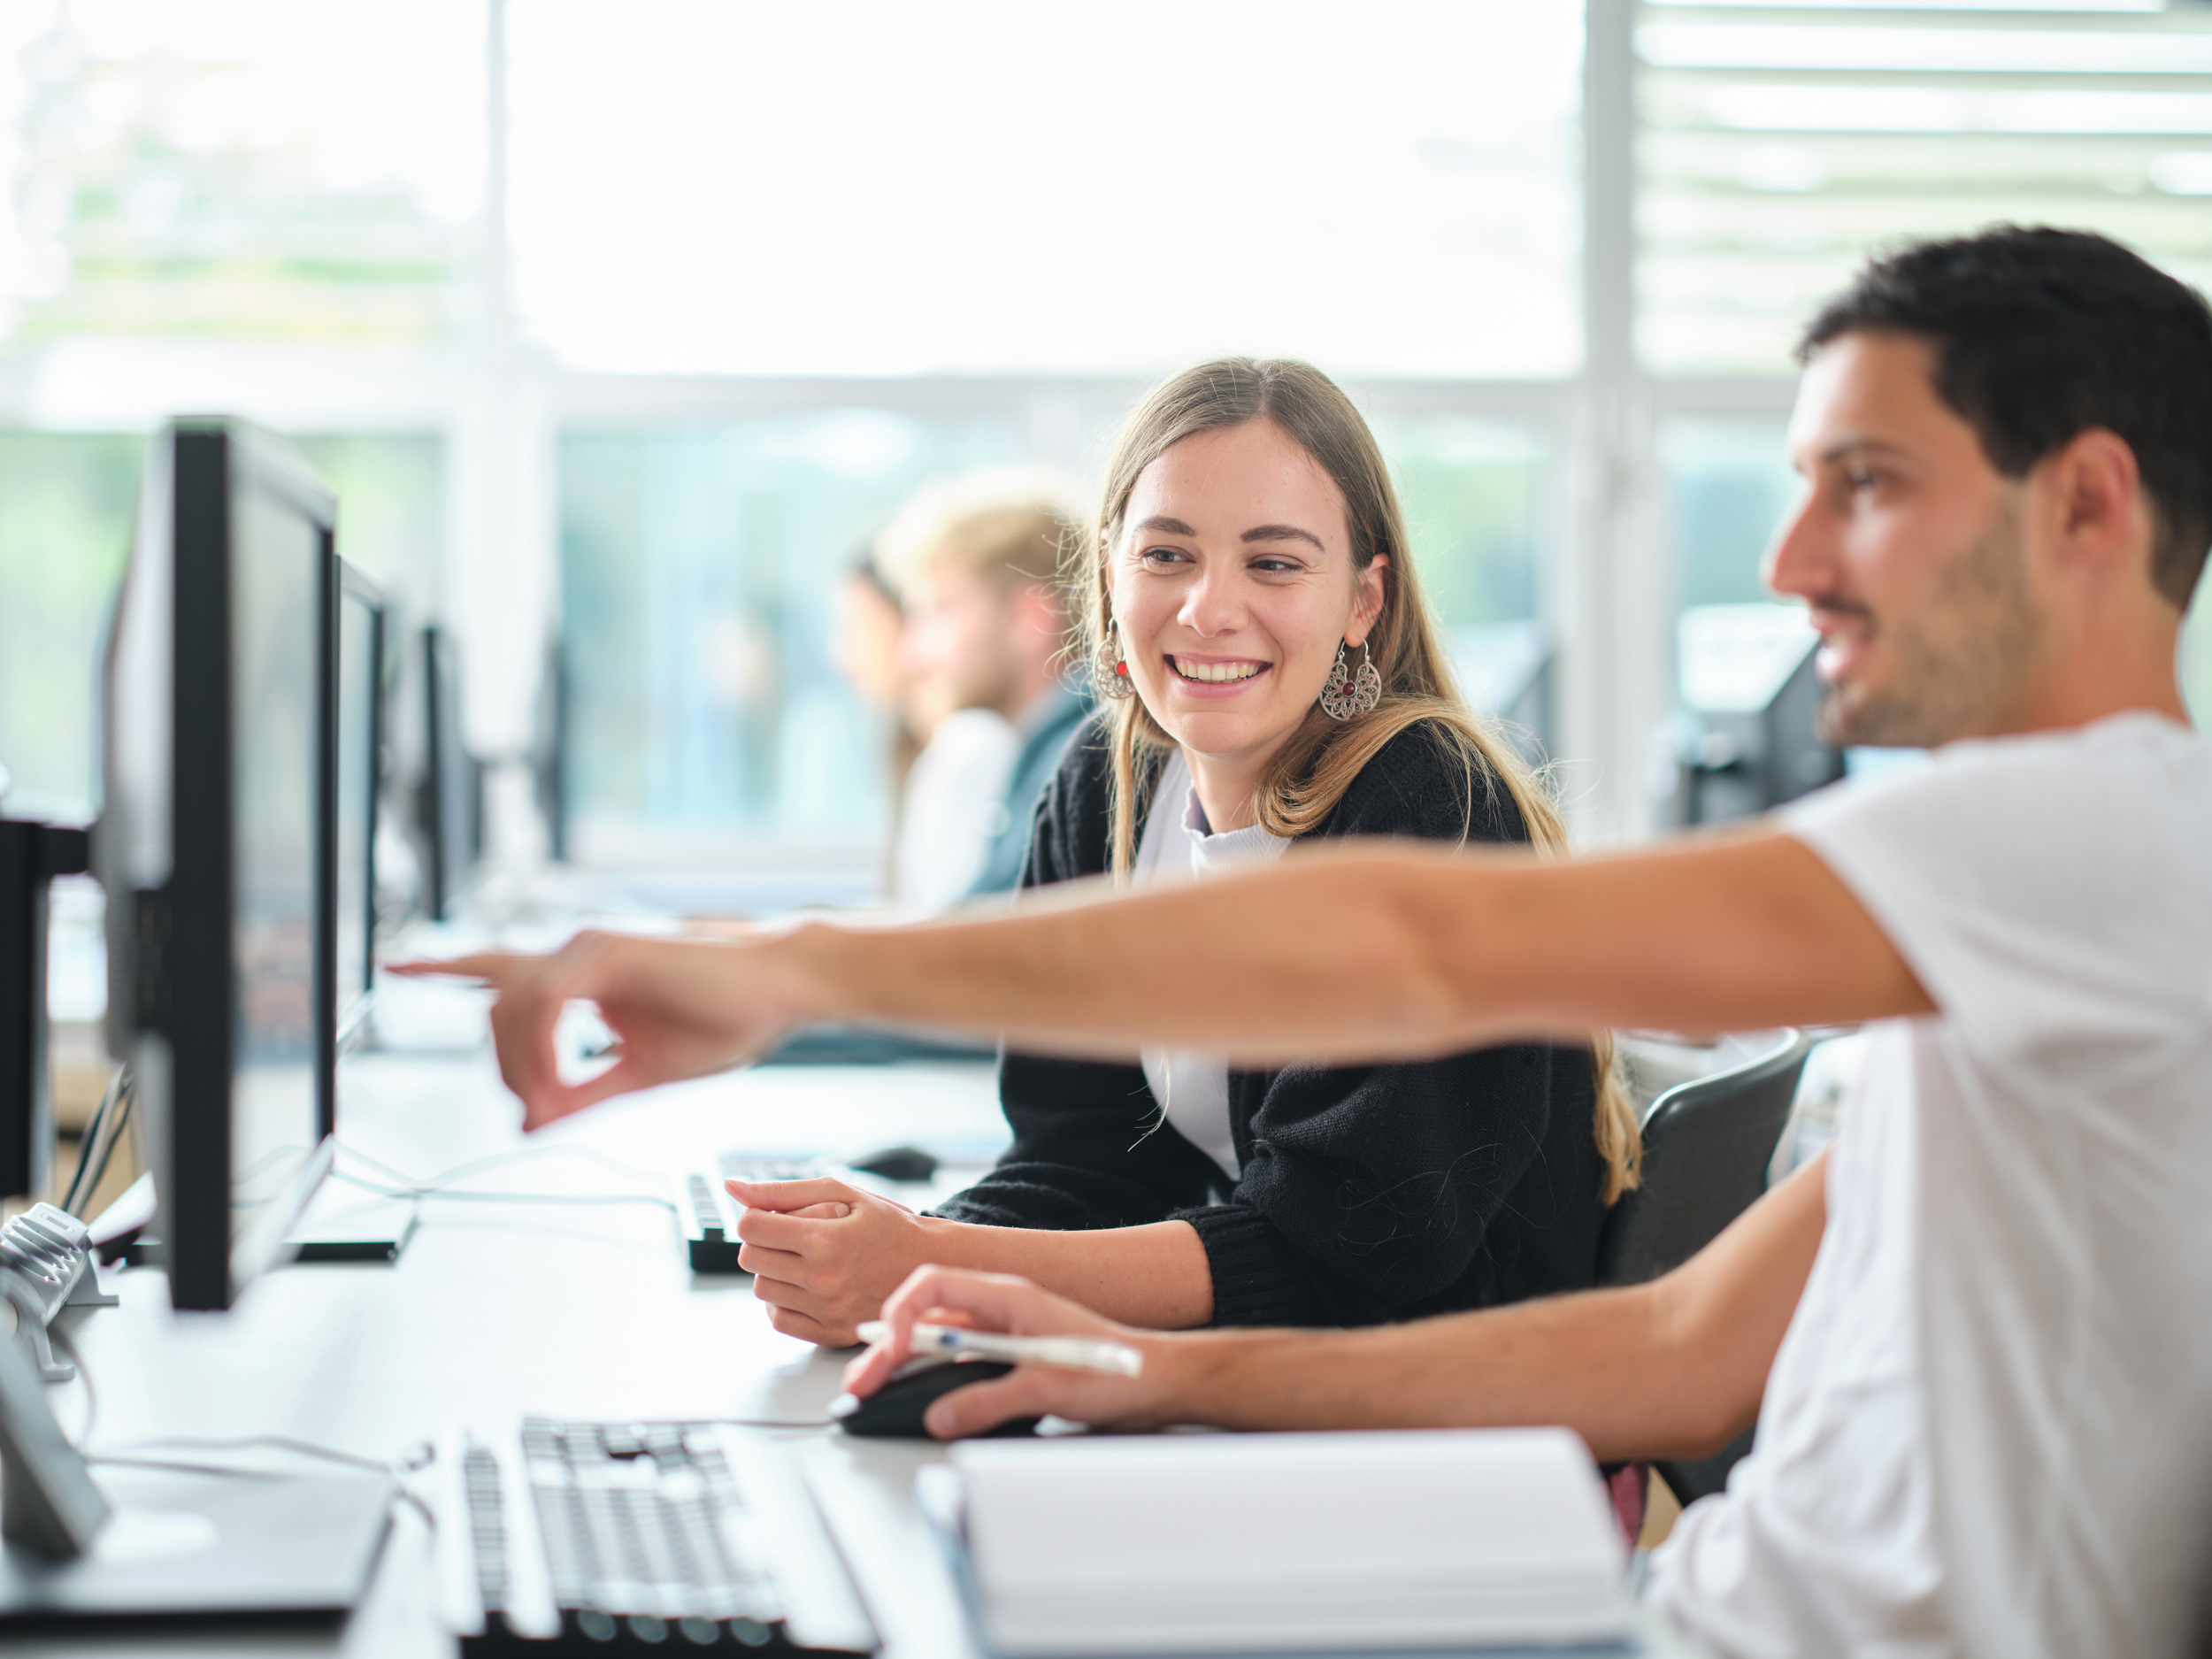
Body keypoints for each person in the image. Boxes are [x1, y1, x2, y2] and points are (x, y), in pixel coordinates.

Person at [403, 227, 2212, 1659]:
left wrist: (794, 963)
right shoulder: (2027, 923)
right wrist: (1137, 1361)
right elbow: (1673, 1346)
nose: (1788, 554)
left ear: (2083, 505)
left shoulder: (2094, 835)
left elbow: (1411, 944)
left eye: (1865, 483)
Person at [722, 358, 1636, 1351]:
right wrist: (901, 1268)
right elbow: (1085, 1163)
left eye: (1274, 563)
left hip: (1460, 1413)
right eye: (1166, 555)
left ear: (1362, 603)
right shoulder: (1106, 783)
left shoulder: (1429, 803)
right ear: (1110, 571)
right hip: (1264, 1371)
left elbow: (1352, 1256)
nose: (1208, 608)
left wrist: (938, 1268)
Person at [877, 478, 1091, 906]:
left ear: (1027, 618)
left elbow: (980, 933)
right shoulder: (1041, 746)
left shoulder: (1077, 759)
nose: (912, 653)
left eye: (939, 611)